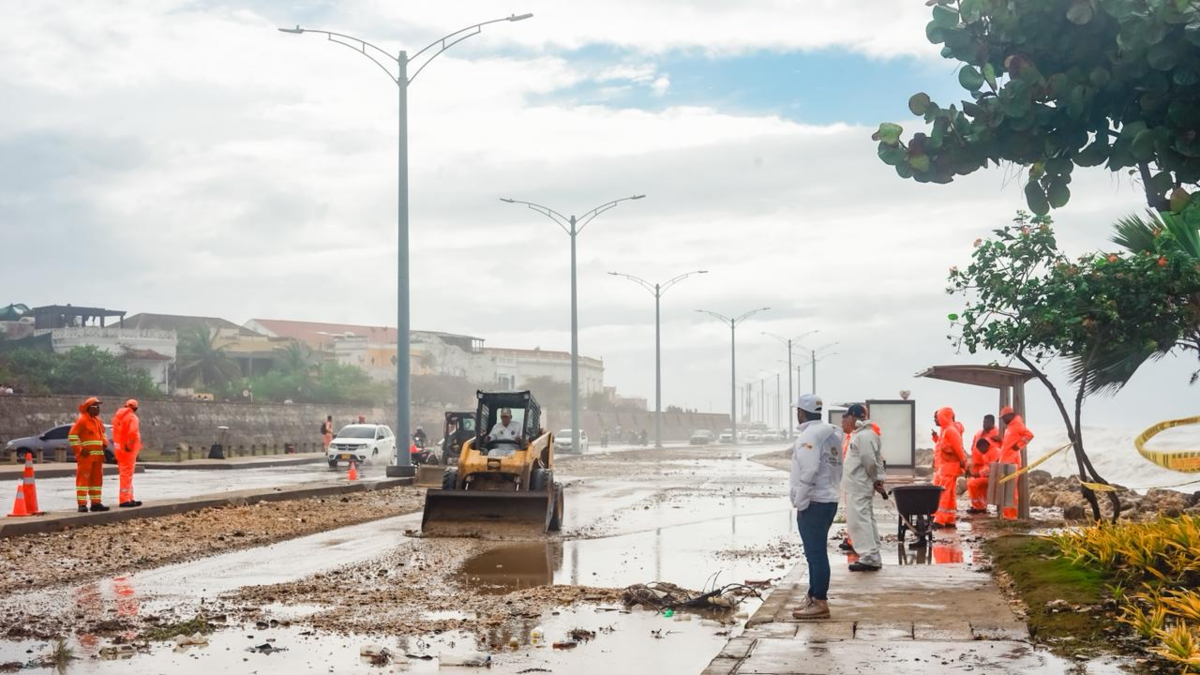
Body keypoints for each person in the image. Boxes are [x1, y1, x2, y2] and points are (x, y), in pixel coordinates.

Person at [789, 394, 843, 621]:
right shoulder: (830, 434)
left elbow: (808, 471)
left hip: (814, 502)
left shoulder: (809, 436)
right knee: (817, 553)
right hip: (828, 499)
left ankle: (820, 601)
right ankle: (813, 595)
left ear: (801, 412)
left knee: (816, 554)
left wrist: (800, 501)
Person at [841, 405, 886, 572]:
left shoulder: (864, 436)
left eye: (844, 418)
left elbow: (869, 460)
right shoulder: (864, 435)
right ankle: (872, 554)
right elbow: (876, 460)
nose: (843, 422)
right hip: (858, 484)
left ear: (852, 417)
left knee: (859, 522)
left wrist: (876, 479)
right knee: (865, 519)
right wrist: (878, 479)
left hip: (858, 485)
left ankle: (869, 556)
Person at [69, 396, 110, 512]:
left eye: (99, 407)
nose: (98, 409)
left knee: (97, 481)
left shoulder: (98, 421)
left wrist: (104, 444)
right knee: (83, 480)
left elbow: (103, 434)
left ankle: (96, 503)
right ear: (89, 408)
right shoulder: (82, 420)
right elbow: (72, 436)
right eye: (96, 407)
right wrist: (80, 449)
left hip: (97, 456)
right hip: (86, 457)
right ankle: (82, 504)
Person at [932, 407, 967, 529]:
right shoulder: (946, 430)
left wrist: (963, 463)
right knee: (950, 494)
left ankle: (940, 519)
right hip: (946, 467)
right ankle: (950, 519)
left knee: (944, 493)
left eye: (938, 417)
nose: (937, 419)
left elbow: (959, 449)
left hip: (950, 467)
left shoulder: (951, 431)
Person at [998, 406, 1034, 520]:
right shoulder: (1009, 427)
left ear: (1009, 415)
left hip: (1012, 461)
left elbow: (1029, 435)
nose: (1003, 420)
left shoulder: (1017, 424)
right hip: (1005, 461)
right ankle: (1006, 514)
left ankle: (1011, 516)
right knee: (1006, 489)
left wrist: (1018, 446)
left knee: (1011, 490)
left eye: (1003, 417)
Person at [111, 399, 143, 508]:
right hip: (128, 451)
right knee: (127, 474)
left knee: (126, 474)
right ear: (135, 408)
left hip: (119, 450)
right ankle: (125, 499)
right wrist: (129, 446)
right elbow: (133, 432)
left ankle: (129, 498)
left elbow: (116, 434)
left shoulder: (117, 417)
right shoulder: (132, 417)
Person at [967, 415, 1001, 514]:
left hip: (988, 468)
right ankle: (978, 506)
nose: (984, 423)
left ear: (992, 423)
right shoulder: (978, 433)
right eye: (983, 421)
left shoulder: (998, 434)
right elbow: (973, 447)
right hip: (978, 464)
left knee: (976, 485)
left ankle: (980, 507)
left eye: (986, 422)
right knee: (974, 485)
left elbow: (1003, 449)